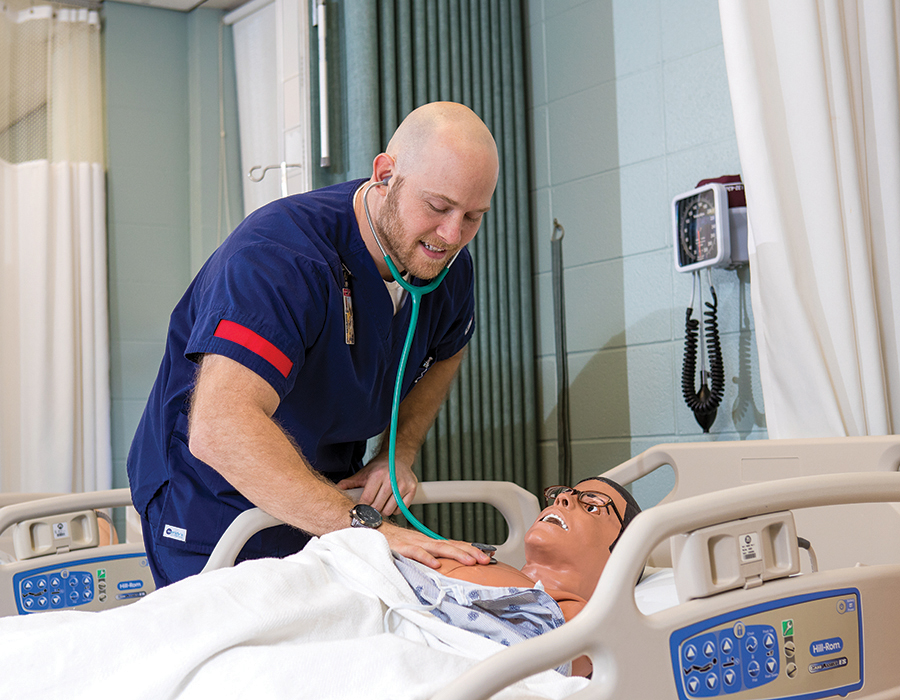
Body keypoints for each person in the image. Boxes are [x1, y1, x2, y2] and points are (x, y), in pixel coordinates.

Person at [127, 102, 499, 586]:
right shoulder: (281, 257)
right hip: (212, 501)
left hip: (330, 498)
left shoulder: (447, 266)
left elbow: (448, 349)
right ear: (385, 174)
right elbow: (221, 427)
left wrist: (397, 452)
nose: (452, 235)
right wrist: (373, 529)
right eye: (438, 207)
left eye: (473, 216)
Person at [400, 475, 642, 677]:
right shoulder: (510, 574)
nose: (562, 498)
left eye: (591, 506)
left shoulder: (581, 623)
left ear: (622, 559)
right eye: (564, 493)